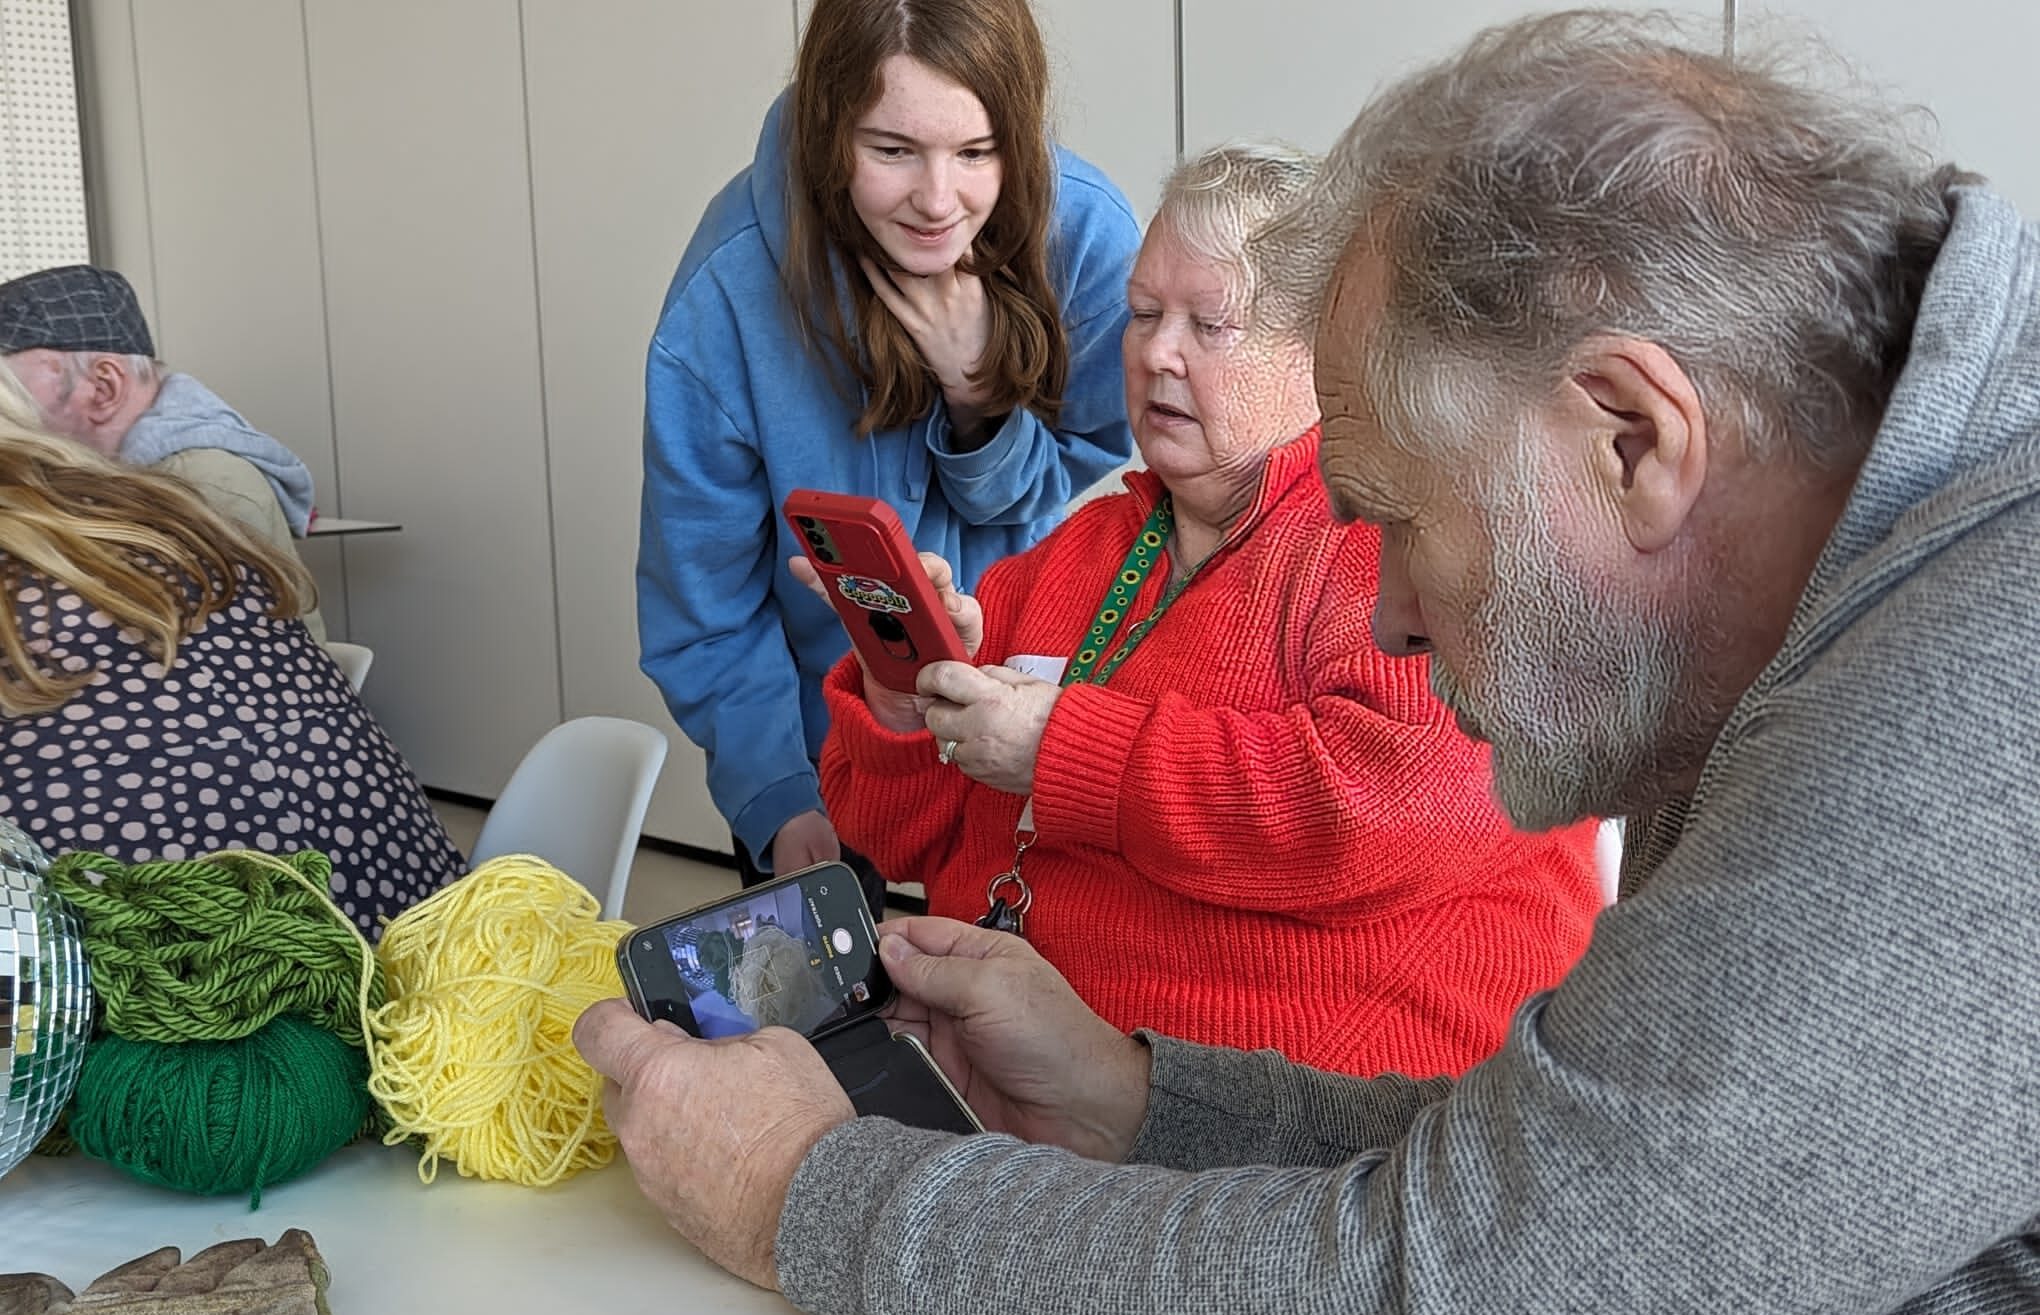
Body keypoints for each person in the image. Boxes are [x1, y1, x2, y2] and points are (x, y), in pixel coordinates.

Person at [575, 11, 2040, 1309]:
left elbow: (1472, 1275)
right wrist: (1148, 1097)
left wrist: (808, 1192)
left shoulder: (1971, 698)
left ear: (1630, 437)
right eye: (1144, 316)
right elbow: (1539, 1181)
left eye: (1400, 520)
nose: (1392, 611)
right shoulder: (1854, 574)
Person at [811, 143, 1600, 1076]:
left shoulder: (1395, 537)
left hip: (1282, 1128)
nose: (1156, 351)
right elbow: (885, 831)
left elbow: (1382, 808)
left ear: (1319, 347)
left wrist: (1064, 751)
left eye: (1208, 324)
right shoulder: (1084, 548)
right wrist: (906, 697)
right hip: (989, 1062)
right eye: (1143, 313)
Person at [636, 0, 1141, 913]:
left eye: (977, 152)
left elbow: (1091, 476)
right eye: (893, 150)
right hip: (818, 754)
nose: (939, 200)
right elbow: (703, 604)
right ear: (831, 129)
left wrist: (981, 394)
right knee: (827, 1043)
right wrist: (778, 797)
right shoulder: (725, 297)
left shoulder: (1089, 240)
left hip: (1020, 731)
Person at [0, 374, 463, 937]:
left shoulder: (201, 471)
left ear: (107, 383)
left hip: (215, 979)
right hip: (418, 922)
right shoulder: (159, 499)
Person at [0, 263, 327, 643]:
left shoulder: (202, 480)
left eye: (9, 393)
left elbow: (212, 659)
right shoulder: (120, 475)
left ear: (103, 387)